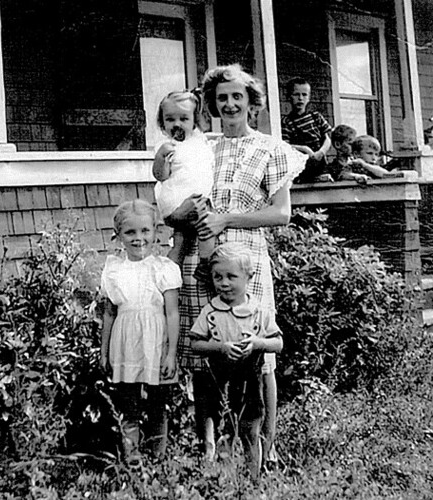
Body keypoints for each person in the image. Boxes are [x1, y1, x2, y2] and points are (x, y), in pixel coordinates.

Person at [170, 64, 305, 468]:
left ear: (250, 104)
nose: (229, 104)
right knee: (202, 351)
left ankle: (268, 445)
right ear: (211, 104)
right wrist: (184, 213)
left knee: (259, 353)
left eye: (237, 97)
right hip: (200, 258)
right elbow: (173, 200)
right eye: (221, 97)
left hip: (247, 260)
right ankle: (208, 446)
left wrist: (227, 219)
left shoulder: (270, 148)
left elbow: (280, 213)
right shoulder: (199, 148)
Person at [99, 199, 182, 466]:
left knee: (158, 404)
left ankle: (158, 456)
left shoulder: (163, 268)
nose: (139, 239)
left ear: (156, 232)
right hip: (125, 343)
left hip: (156, 343)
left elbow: (172, 313)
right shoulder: (114, 269)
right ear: (119, 236)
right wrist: (104, 352)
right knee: (128, 403)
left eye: (145, 231)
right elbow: (109, 313)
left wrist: (171, 354)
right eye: (130, 233)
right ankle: (132, 456)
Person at [190, 242, 283, 479]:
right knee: (223, 431)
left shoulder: (258, 311)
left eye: (231, 276)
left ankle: (253, 480)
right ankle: (224, 479)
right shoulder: (210, 312)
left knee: (251, 430)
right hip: (219, 383)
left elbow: (278, 343)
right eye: (217, 277)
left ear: (249, 276)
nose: (224, 283)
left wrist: (257, 343)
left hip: (251, 382)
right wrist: (220, 347)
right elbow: (196, 343)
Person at [152, 90, 215, 265]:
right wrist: (160, 158)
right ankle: (197, 265)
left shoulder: (199, 141)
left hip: (197, 198)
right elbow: (161, 176)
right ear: (162, 122)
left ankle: (196, 265)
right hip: (178, 200)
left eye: (184, 119)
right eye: (170, 119)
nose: (177, 124)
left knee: (184, 239)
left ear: (195, 120)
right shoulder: (168, 146)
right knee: (205, 229)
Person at [281, 77, 332, 183]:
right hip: (302, 162)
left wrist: (321, 152)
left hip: (319, 159)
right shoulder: (287, 122)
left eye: (304, 95)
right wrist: (305, 149)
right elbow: (286, 145)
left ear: (309, 98)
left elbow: (327, 138)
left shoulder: (316, 116)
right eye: (296, 94)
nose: (300, 98)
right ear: (289, 97)